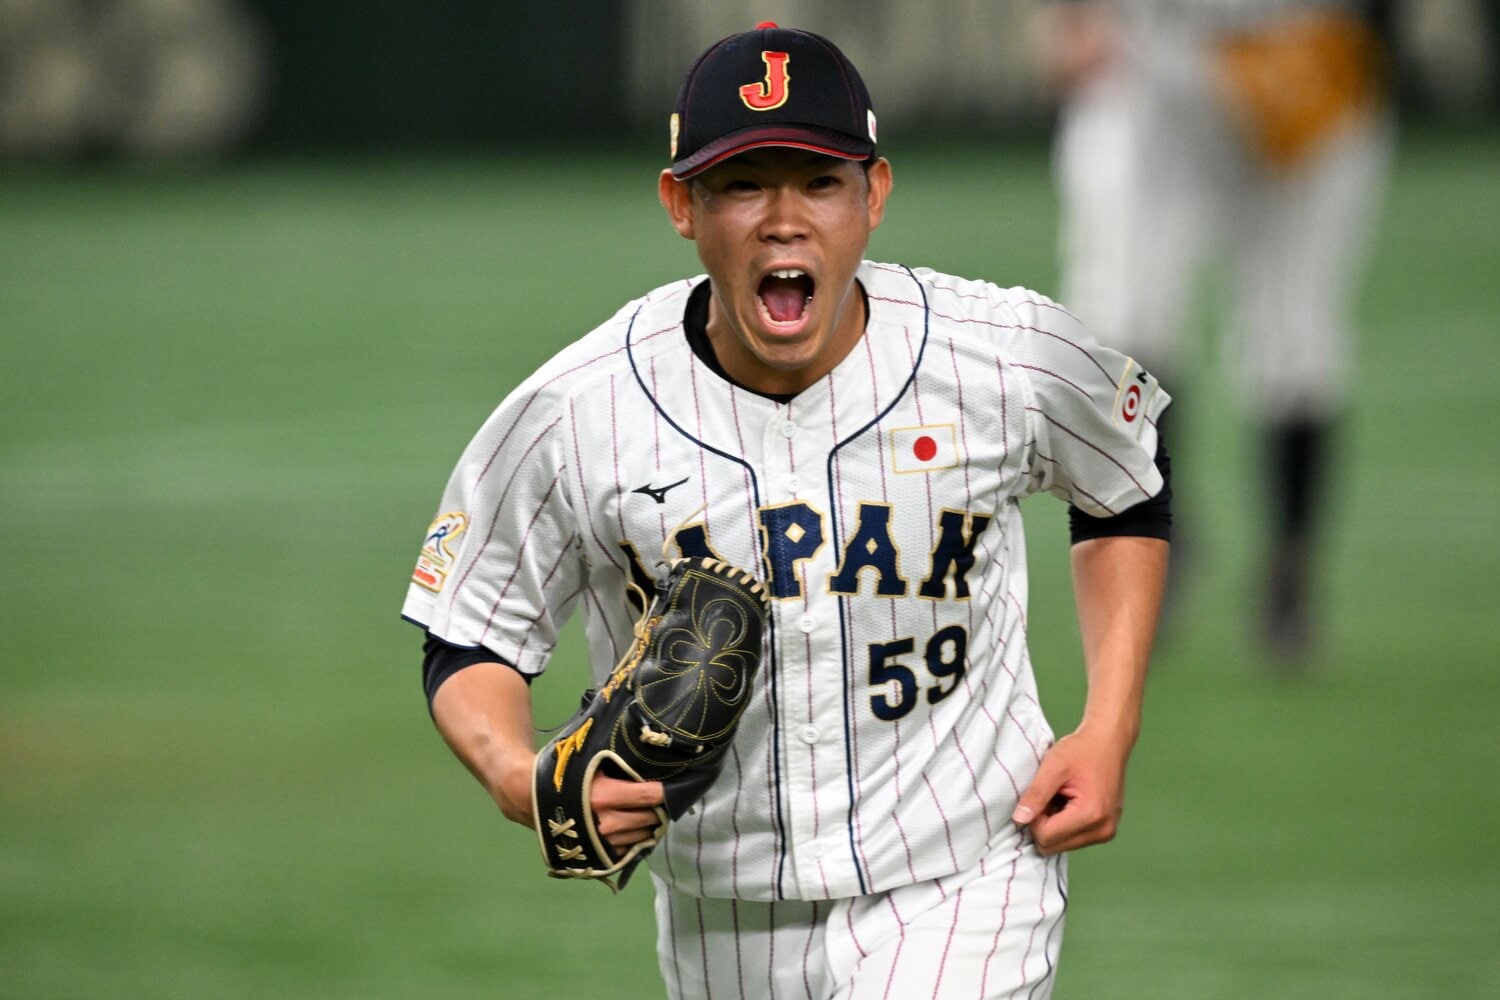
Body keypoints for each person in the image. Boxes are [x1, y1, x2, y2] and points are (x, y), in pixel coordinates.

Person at [403, 22, 1171, 998]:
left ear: (874, 195)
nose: (783, 219)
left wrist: (1111, 725)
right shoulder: (583, 409)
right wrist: (519, 775)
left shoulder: (998, 352)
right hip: (721, 915)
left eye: (818, 181)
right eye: (743, 183)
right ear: (681, 203)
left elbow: (1130, 476)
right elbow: (468, 633)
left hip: (965, 878)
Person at [1041, 0, 1393, 661]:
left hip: (1301, 55)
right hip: (1155, 63)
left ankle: (1289, 573)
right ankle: (1157, 532)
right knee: (1120, 322)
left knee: (1293, 341)